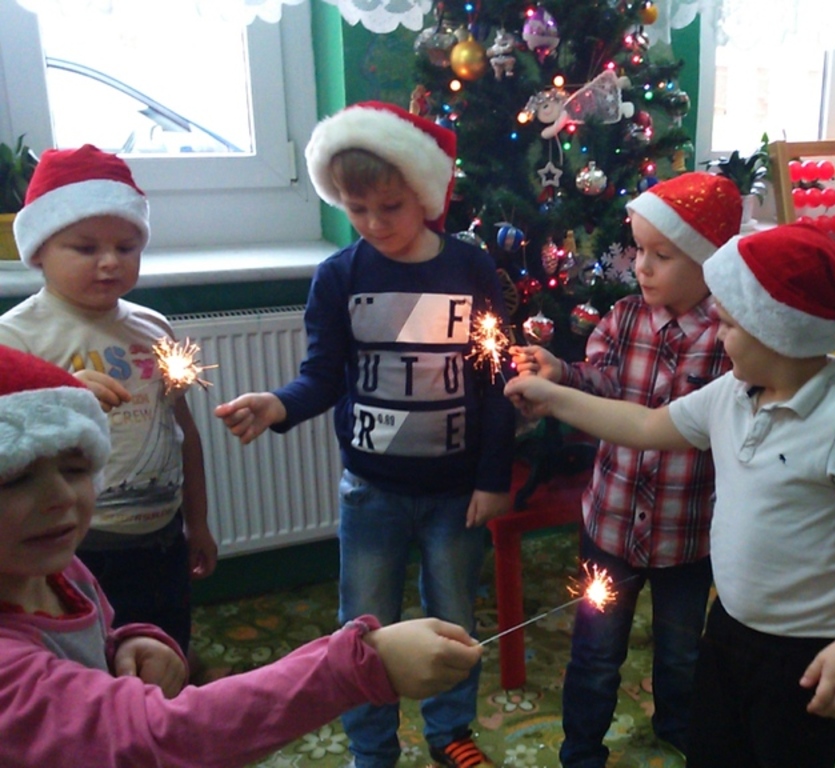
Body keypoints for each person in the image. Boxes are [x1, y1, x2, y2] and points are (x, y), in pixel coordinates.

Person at [507, 223, 835, 768]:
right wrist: (553, 397)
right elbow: (644, 425)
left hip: (811, 653)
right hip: (730, 628)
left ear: (778, 333)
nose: (720, 334)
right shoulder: (731, 395)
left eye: (730, 325)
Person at [0, 344, 484, 768]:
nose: (60, 498)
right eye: (16, 478)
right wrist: (359, 665)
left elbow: (86, 650)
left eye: (75, 469)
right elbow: (153, 738)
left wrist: (127, 644)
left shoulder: (59, 570)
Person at [213, 101, 515, 768]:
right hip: (371, 492)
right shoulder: (339, 276)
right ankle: (371, 749)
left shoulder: (470, 270)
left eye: (391, 207)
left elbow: (497, 380)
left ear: (424, 194)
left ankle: (450, 732)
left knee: (453, 619)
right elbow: (321, 377)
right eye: (358, 210)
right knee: (363, 627)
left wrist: (495, 478)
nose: (375, 224)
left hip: (456, 495)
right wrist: (278, 405)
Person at [509, 171, 741, 767]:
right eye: (639, 251)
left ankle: (677, 723)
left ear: (709, 262)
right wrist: (562, 374)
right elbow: (601, 383)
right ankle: (581, 747)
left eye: (662, 255)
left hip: (687, 534)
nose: (643, 266)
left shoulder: (729, 338)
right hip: (610, 526)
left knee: (681, 651)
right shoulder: (623, 317)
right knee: (594, 651)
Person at [0, 144, 217, 658]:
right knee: (91, 665)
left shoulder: (154, 328)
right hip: (75, 549)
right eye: (84, 247)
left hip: (161, 538)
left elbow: (182, 433)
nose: (109, 262)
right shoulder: (16, 339)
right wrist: (65, 398)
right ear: (39, 250)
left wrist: (198, 522)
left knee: (167, 651)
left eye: (126, 246)